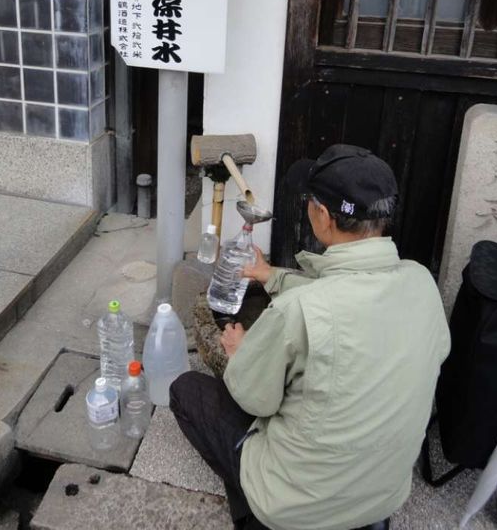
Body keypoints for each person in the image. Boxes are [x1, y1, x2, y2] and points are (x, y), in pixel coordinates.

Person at [170, 144, 450, 530]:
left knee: (187, 390)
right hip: (383, 497)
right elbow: (348, 293)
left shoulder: (299, 310)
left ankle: (261, 514)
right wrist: (272, 276)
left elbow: (255, 398)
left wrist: (239, 352)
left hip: (295, 502)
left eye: (311, 202)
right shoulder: (421, 282)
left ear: (322, 215)